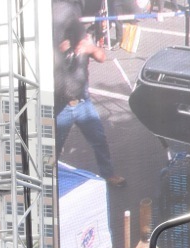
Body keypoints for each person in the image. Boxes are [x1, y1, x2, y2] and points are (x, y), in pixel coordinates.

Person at [53, 0, 125, 187]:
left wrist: (90, 48)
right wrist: (58, 53)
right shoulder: (52, 44)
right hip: (61, 106)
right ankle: (48, 180)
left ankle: (109, 175)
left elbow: (102, 56)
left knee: (99, 140)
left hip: (83, 102)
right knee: (53, 148)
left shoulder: (82, 37)